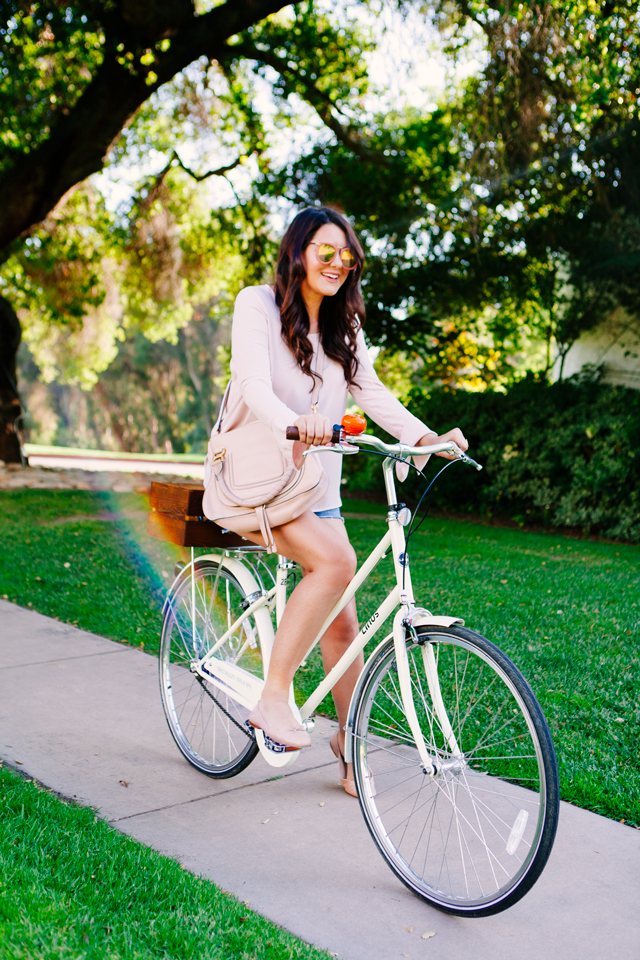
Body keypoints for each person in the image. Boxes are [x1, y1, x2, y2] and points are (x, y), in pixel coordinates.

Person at [221, 207, 467, 796]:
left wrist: (425, 440)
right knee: (335, 564)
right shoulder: (256, 304)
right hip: (253, 480)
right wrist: (296, 423)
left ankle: (348, 743)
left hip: (314, 489)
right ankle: (274, 700)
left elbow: (371, 392)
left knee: (344, 622)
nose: (336, 263)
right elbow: (252, 384)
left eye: (346, 256)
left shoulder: (343, 324)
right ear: (298, 252)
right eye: (324, 251)